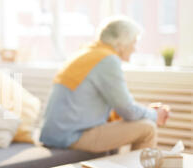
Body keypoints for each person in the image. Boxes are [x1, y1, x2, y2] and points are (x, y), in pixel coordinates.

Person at [40, 16, 170, 153]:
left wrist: (146, 112)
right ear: (122, 43)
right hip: (71, 137)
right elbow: (126, 110)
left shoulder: (88, 53)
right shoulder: (107, 60)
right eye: (134, 42)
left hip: (55, 135)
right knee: (148, 128)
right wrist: (155, 115)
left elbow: (121, 107)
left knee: (130, 123)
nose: (135, 49)